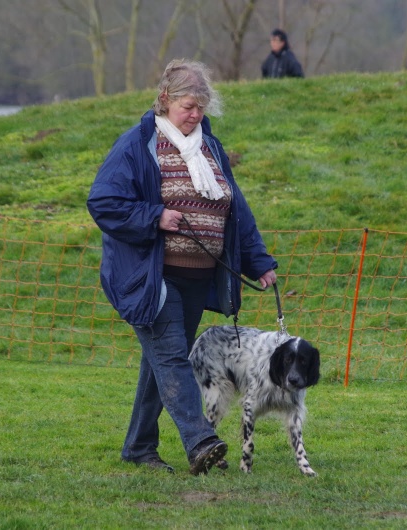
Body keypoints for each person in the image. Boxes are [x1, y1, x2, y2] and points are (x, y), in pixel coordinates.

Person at [87, 59, 278, 475]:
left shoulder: (210, 150)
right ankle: (200, 441)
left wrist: (258, 261)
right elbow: (103, 202)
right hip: (151, 276)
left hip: (198, 278)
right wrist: (154, 216)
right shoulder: (138, 145)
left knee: (161, 363)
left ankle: (139, 447)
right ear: (165, 101)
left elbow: (236, 212)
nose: (195, 115)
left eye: (201, 107)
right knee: (173, 357)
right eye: (188, 106)